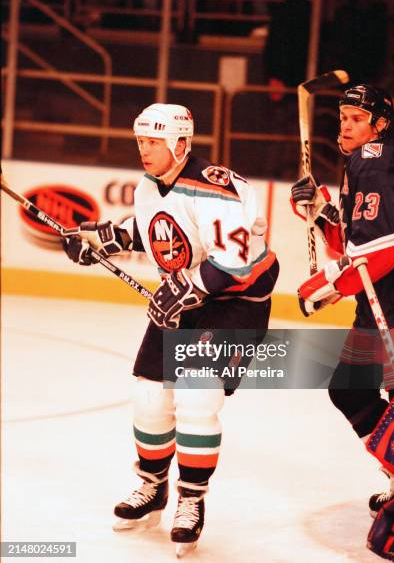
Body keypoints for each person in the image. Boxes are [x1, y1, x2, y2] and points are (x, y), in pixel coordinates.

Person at [62, 103, 279, 556]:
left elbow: (234, 264)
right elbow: (157, 231)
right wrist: (105, 239)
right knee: (149, 396)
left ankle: (192, 501)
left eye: (153, 143)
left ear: (180, 144)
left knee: (197, 397)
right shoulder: (149, 185)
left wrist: (187, 288)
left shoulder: (216, 188)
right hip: (189, 294)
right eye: (140, 141)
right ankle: (152, 485)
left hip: (234, 304)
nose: (144, 150)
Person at [290, 84, 394, 560]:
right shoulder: (367, 161)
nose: (345, 124)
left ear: (379, 125)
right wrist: (321, 213)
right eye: (342, 115)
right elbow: (355, 244)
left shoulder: (376, 159)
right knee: (350, 388)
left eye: (356, 117)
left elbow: (381, 253)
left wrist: (325, 286)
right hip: (383, 298)